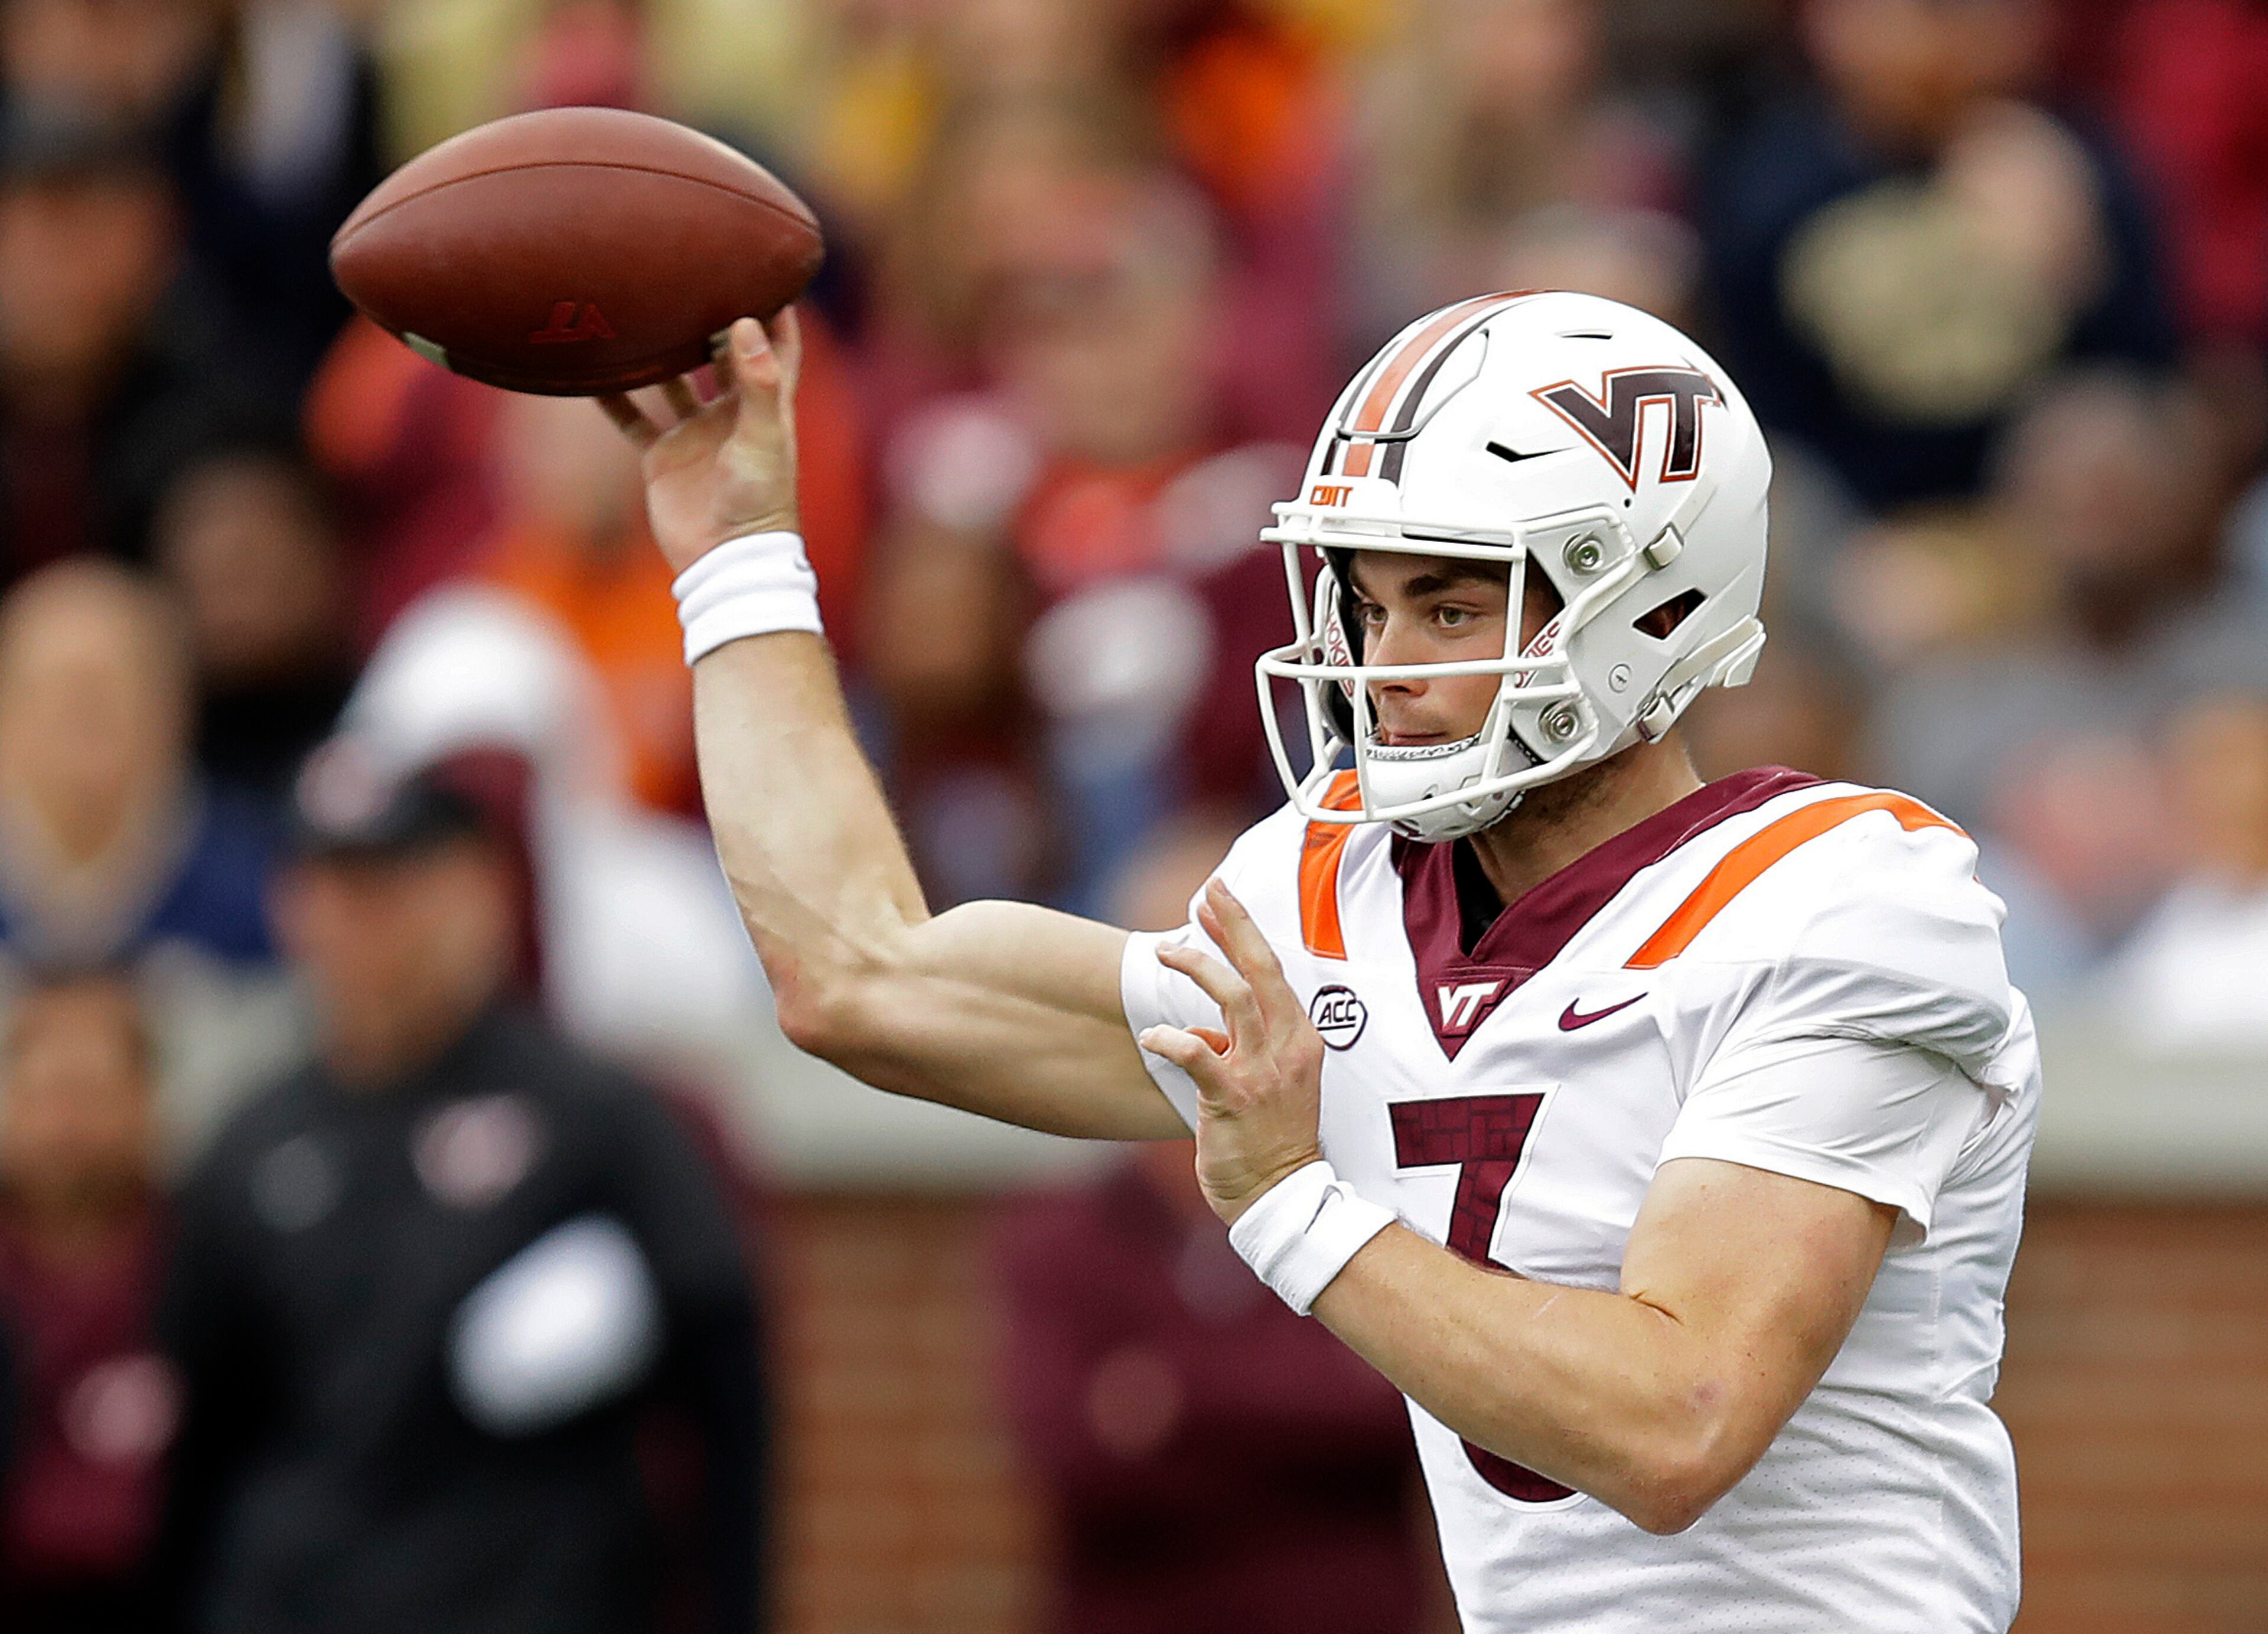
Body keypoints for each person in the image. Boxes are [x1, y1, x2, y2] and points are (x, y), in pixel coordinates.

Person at [604, 289, 2038, 1630]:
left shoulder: (1841, 907)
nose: (1384, 662)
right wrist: (739, 559)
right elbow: (863, 977)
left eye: (1451, 606)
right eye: (1365, 600)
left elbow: (1679, 1421)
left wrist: (1291, 1202)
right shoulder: (1332, 885)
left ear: (1651, 610)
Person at [152, 741, 770, 1634]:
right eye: (333, 888)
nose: (361, 924)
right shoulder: (255, 1142)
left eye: (392, 885)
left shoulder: (597, 1123)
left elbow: (727, 1395)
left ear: (480, 892)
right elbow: (201, 1436)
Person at [0, 968, 175, 1633]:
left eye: (92, 1093)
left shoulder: (213, 1263)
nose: (67, 1125)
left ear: (146, 1103)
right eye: (48, 1093)